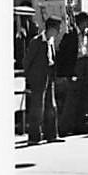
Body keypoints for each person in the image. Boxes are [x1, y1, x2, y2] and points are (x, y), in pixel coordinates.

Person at [23, 16, 62, 144]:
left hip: (49, 76)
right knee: (37, 107)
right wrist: (30, 78)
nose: (59, 31)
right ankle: (34, 137)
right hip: (38, 78)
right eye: (57, 29)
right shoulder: (36, 41)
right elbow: (27, 61)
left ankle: (51, 135)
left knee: (51, 106)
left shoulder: (51, 41)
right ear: (51, 29)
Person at [57, 11, 88, 136]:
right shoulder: (70, 35)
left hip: (85, 64)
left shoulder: (87, 35)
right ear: (81, 22)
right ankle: (65, 127)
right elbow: (64, 53)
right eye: (87, 22)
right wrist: (68, 71)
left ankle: (79, 124)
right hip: (75, 65)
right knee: (72, 97)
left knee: (84, 96)